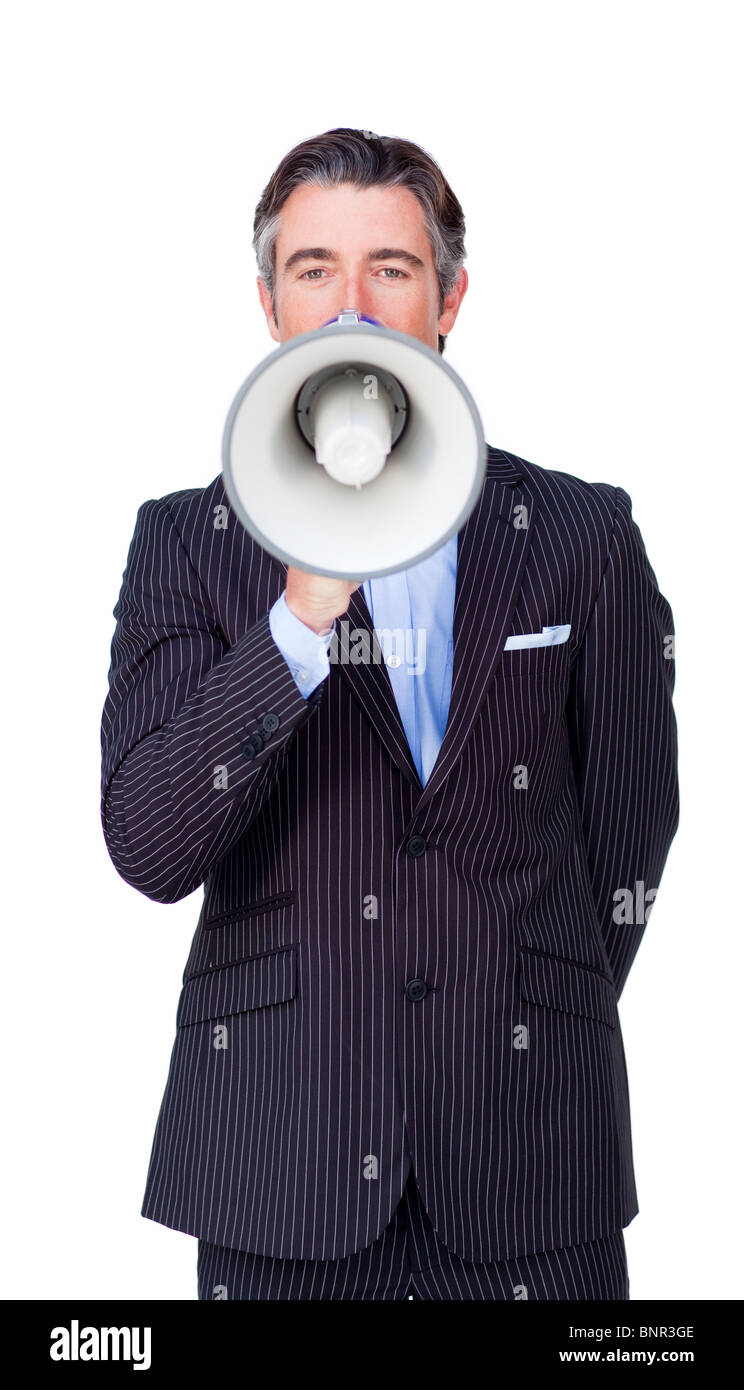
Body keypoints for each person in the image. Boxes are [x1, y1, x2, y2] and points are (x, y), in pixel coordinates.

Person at [100, 127, 679, 1301]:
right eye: (314, 268)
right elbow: (149, 843)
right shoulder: (187, 544)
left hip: (528, 1161)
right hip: (282, 1164)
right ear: (269, 303)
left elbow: (630, 828)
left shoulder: (581, 536)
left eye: (392, 270)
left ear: (450, 298)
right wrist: (298, 617)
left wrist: (521, 1000)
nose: (352, 307)